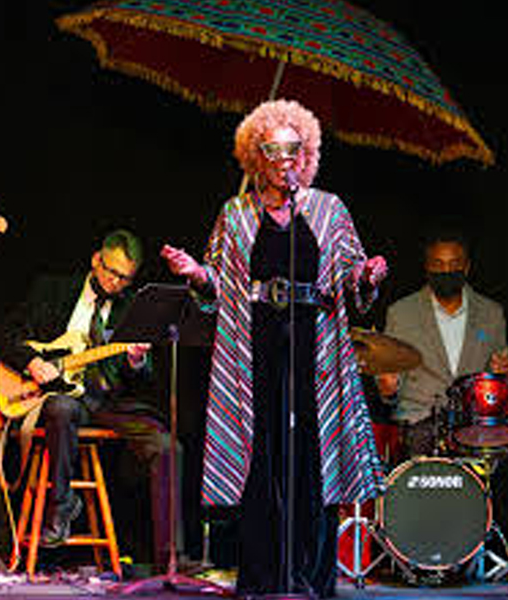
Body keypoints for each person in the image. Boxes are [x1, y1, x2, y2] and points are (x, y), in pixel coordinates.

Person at [161, 99, 386, 598]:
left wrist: (366, 275)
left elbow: (351, 276)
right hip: (254, 344)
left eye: (294, 149)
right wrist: (196, 274)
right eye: (274, 150)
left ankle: (310, 578)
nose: (286, 160)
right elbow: (217, 284)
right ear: (255, 157)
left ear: (307, 154)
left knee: (313, 459)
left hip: (314, 344)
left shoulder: (329, 209)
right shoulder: (235, 213)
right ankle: (262, 579)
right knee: (259, 458)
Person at [0, 229, 180, 565]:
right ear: (96, 260)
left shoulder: (133, 308)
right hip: (63, 398)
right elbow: (3, 334)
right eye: (111, 272)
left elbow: (143, 381)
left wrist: (136, 361)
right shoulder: (52, 290)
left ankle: (170, 557)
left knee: (167, 447)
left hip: (108, 402)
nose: (115, 282)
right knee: (61, 407)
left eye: (124, 278)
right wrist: (33, 362)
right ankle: (62, 505)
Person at [378, 228, 508, 458]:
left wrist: (505, 373)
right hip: (417, 426)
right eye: (438, 264)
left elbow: (504, 379)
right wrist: (388, 388)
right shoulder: (400, 313)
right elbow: (388, 381)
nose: (446, 270)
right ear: (427, 268)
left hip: (474, 429)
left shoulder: (491, 313)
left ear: (467, 267)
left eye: (454, 264)